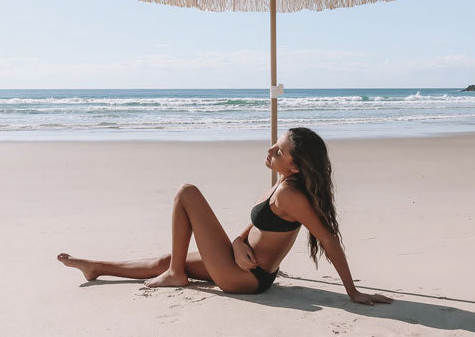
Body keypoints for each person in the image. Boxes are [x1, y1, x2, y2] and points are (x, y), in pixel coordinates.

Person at [57, 127, 393, 305]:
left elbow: (328, 238)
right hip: (242, 265)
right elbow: (256, 227)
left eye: (279, 150)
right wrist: (235, 242)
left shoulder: (292, 195)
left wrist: (353, 292)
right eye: (274, 144)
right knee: (168, 256)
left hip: (246, 279)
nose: (270, 151)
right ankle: (96, 267)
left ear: (294, 165)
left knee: (186, 192)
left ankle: (176, 273)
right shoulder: (281, 183)